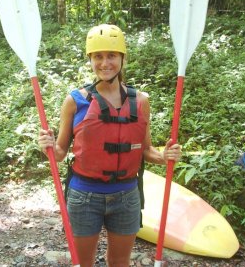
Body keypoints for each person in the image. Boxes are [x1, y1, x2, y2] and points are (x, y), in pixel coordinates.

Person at [38, 24, 181, 267]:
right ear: (90, 60)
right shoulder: (75, 101)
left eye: (111, 55)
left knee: (120, 262)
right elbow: (60, 153)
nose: (105, 63)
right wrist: (48, 146)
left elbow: (146, 150)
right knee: (84, 263)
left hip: (126, 195)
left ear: (122, 58)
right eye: (98, 57)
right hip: (84, 195)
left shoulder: (141, 101)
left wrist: (165, 156)